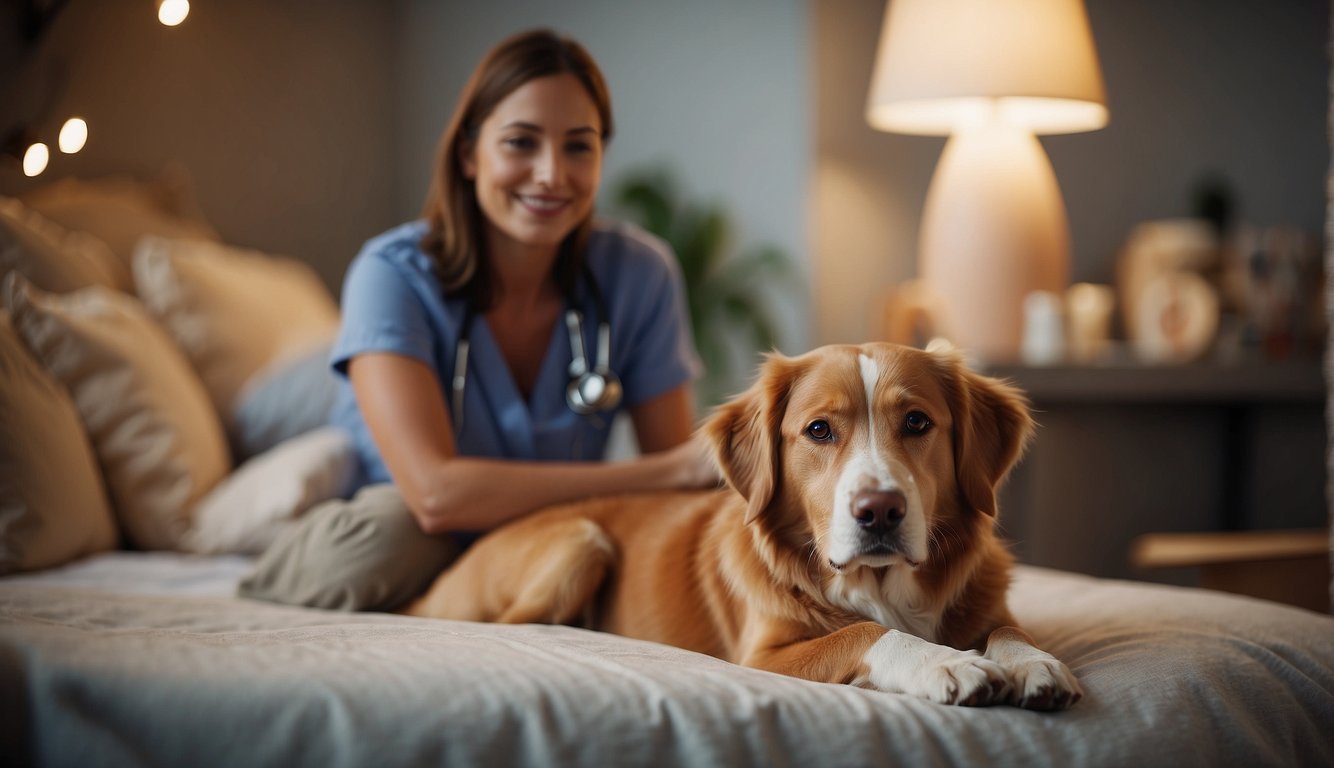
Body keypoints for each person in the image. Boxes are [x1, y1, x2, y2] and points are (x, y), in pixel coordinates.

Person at [239, 29, 718, 611]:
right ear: (469, 154)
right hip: (404, 527)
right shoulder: (391, 275)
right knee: (395, 536)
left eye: (578, 147)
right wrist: (663, 474)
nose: (550, 175)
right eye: (521, 143)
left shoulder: (639, 274)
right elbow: (436, 496)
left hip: (539, 538)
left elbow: (682, 486)